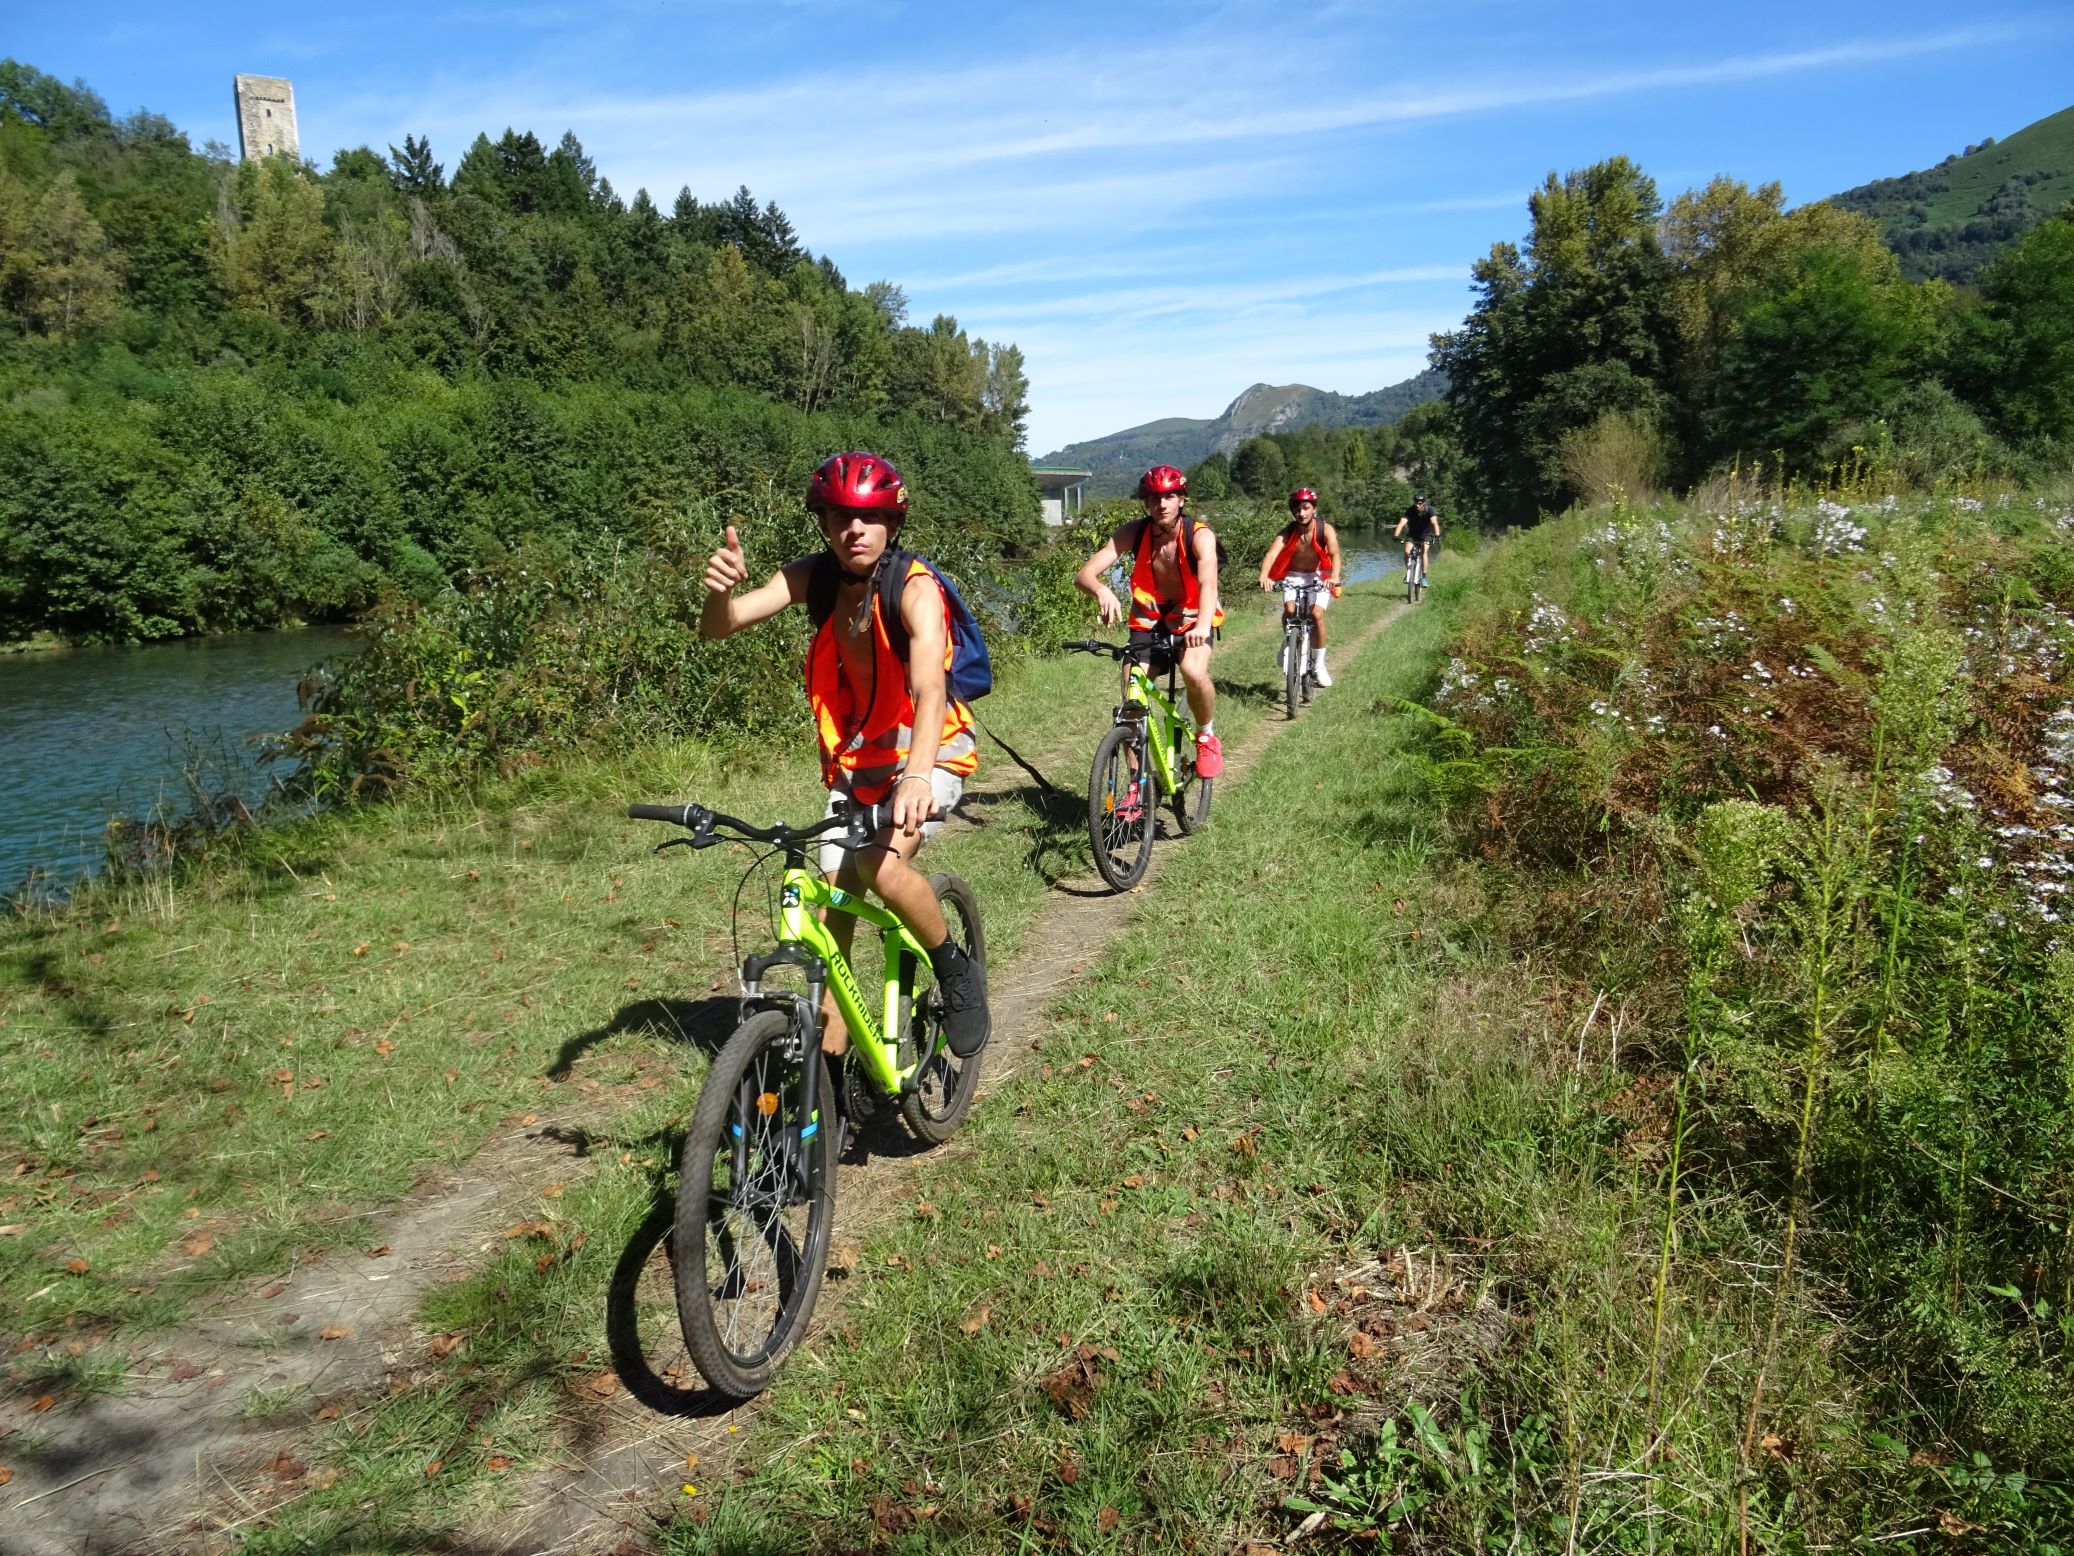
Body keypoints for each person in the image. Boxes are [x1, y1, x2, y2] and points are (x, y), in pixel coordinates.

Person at [699, 451, 990, 1058]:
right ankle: (828, 1080)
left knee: (877, 869)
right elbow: (721, 627)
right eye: (837, 517)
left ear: (891, 522)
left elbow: (931, 689)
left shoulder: (914, 589)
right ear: (824, 525)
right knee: (832, 919)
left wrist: (916, 779)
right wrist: (721, 593)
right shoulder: (817, 576)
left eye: (867, 516)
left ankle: (955, 970)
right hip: (863, 761)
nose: (851, 529)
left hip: (928, 750)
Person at [1073, 464, 1225, 778]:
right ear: (1146, 502)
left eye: (1170, 496)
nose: (1162, 504)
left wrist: (1201, 624)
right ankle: (1135, 785)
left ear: (1182, 499)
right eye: (1155, 497)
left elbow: (1209, 582)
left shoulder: (1199, 534)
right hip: (1148, 624)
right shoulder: (1135, 532)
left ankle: (1207, 736)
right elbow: (1084, 574)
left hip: (1193, 618)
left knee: (1193, 671)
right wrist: (1101, 590)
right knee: (1131, 703)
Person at [1257, 487, 1342, 687]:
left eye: (1306, 508)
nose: (1301, 513)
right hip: (1293, 576)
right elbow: (1271, 554)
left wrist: (1335, 577)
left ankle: (1319, 665)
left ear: (1314, 509)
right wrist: (1264, 576)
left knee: (1317, 615)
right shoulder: (1288, 531)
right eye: (1297, 509)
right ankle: (1288, 641)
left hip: (1319, 576)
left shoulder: (1325, 529)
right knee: (1289, 610)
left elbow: (1335, 554)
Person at [1394, 492, 1441, 580]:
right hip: (1413, 534)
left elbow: (1434, 523)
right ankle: (1409, 572)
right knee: (1407, 552)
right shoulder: (1410, 510)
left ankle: (1424, 577)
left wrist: (1437, 535)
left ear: (1423, 503)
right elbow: (1401, 523)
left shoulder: (1429, 510)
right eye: (1416, 502)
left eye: (1419, 503)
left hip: (1426, 534)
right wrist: (1396, 535)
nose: (1417, 505)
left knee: (1424, 552)